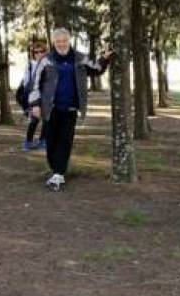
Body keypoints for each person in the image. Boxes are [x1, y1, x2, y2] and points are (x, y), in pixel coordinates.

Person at [29, 28, 113, 191]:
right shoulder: (46, 59)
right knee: (51, 141)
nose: (61, 43)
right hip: (50, 108)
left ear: (69, 41)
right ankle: (56, 169)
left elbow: (96, 69)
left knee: (65, 140)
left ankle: (59, 173)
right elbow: (35, 83)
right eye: (58, 41)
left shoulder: (79, 58)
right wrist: (35, 104)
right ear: (54, 42)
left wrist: (105, 59)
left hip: (70, 107)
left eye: (64, 40)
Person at [21, 41, 48, 151]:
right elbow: (26, 83)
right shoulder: (30, 65)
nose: (39, 54)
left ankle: (42, 142)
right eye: (36, 52)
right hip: (34, 95)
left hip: (47, 96)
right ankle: (28, 142)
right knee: (35, 119)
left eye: (41, 51)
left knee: (47, 120)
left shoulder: (49, 64)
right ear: (33, 54)